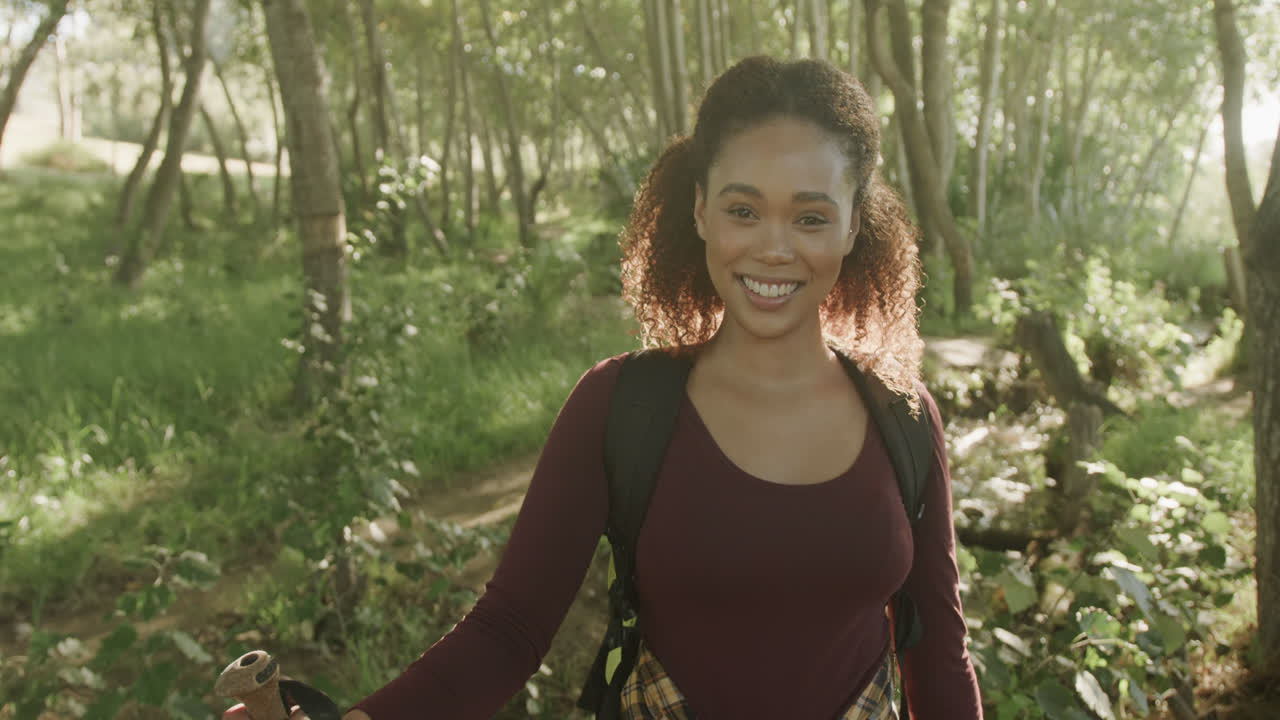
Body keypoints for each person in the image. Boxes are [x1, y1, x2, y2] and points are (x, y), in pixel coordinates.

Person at [227, 55, 983, 720]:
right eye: (743, 209)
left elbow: (939, 659)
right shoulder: (622, 409)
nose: (773, 247)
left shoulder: (903, 416)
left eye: (811, 216)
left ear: (855, 225)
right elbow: (511, 629)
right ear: (699, 210)